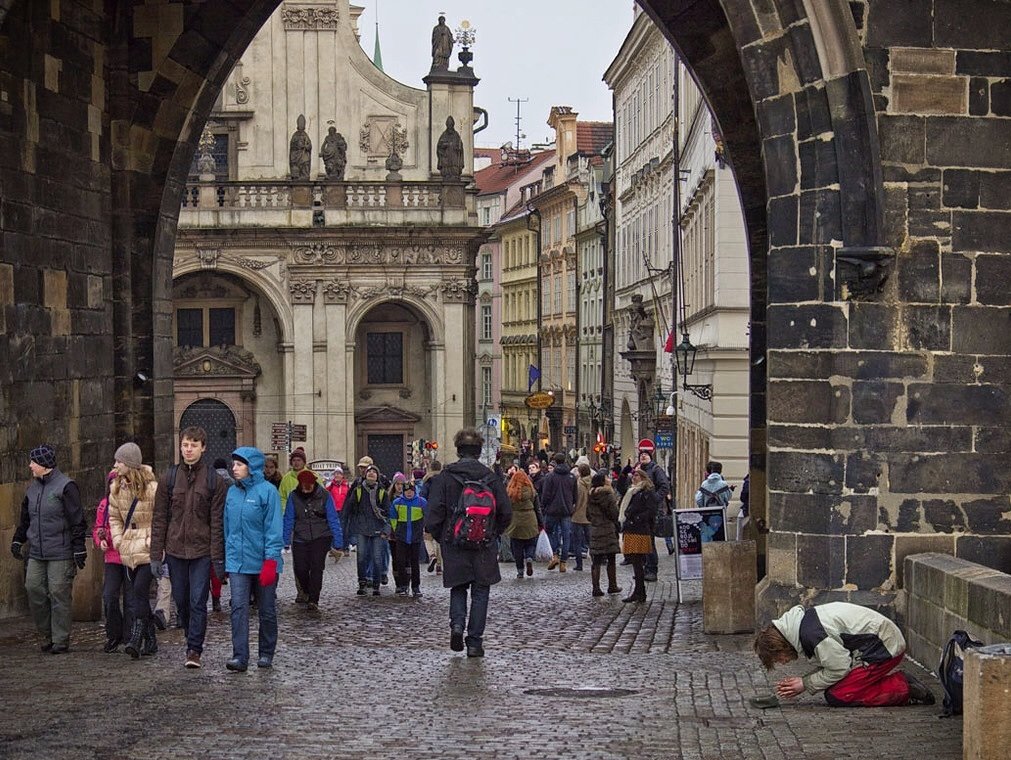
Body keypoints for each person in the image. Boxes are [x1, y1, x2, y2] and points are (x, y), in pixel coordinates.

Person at [425, 427, 512, 658]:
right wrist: (493, 532)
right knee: (481, 592)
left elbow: (433, 512)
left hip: (453, 542)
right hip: (484, 543)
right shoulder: (491, 477)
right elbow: (505, 512)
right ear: (479, 450)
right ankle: (474, 642)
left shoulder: (445, 477)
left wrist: (441, 536)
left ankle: (456, 625)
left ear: (458, 450)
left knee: (459, 586)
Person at [754, 602, 935, 707]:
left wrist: (805, 683)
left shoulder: (812, 635)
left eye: (778, 659)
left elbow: (839, 667)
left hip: (884, 648)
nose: (783, 663)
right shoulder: (805, 625)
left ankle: (903, 686)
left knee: (839, 694)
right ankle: (895, 683)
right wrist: (806, 680)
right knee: (838, 688)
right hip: (879, 644)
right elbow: (834, 662)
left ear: (781, 647)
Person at [150, 426, 227, 669]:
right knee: (181, 600)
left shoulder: (215, 481)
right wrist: (155, 553)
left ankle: (194, 649)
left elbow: (217, 523)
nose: (188, 449)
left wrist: (218, 558)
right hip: (174, 550)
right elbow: (159, 518)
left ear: (203, 448)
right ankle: (190, 633)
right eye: (185, 444)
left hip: (202, 551)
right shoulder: (169, 478)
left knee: (197, 601)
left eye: (194, 444)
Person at [11, 444, 88, 654]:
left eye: (33, 462)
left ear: (44, 465)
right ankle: (46, 635)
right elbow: (25, 519)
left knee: (58, 593)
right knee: (33, 588)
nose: (30, 465)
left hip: (60, 552)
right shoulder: (32, 489)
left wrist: (79, 547)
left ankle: (60, 639)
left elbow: (77, 519)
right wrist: (18, 540)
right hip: (36, 551)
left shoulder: (66, 486)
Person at [224, 447, 283, 672]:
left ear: (252, 466)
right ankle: (240, 656)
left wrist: (271, 560)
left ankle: (266, 652)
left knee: (266, 609)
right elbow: (227, 528)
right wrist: (226, 559)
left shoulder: (268, 492)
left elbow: (273, 528)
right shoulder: (232, 493)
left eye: (239, 464)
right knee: (238, 608)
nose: (234, 468)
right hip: (238, 562)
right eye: (234, 464)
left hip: (263, 562)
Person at [108, 442, 159, 659]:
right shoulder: (117, 488)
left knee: (139, 590)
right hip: (129, 546)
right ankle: (151, 637)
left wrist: (154, 541)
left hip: (148, 546)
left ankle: (136, 639)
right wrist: (118, 540)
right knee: (139, 596)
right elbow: (114, 517)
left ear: (129, 463)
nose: (115, 465)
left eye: (119, 461)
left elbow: (161, 517)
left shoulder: (152, 488)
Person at [283, 469, 343, 612]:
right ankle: (307, 590)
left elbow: (333, 518)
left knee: (317, 568)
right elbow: (289, 518)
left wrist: (338, 542)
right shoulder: (293, 496)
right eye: (304, 485)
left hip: (321, 536)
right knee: (300, 569)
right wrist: (285, 538)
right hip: (300, 537)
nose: (306, 488)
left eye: (308, 485)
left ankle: (314, 599)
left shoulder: (324, 495)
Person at [95, 468, 133, 652]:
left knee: (131, 598)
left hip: (130, 555)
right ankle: (114, 634)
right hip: (112, 556)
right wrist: (100, 540)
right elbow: (98, 528)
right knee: (109, 596)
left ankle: (129, 635)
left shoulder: (133, 502)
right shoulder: (104, 505)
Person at [342, 465, 391, 596]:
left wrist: (386, 530)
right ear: (365, 475)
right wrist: (347, 527)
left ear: (378, 476)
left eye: (374, 472)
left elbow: (389, 513)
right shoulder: (358, 491)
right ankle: (362, 582)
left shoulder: (382, 492)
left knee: (377, 558)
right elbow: (349, 509)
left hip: (377, 529)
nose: (371, 473)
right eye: (369, 471)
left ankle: (376, 584)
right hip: (361, 529)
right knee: (361, 557)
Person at [618, 467, 658, 603]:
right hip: (631, 529)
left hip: (640, 530)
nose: (634, 478)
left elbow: (651, 511)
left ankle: (640, 593)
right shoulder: (632, 491)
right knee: (635, 563)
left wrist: (637, 518)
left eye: (636, 476)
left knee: (638, 562)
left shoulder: (646, 492)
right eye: (633, 476)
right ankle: (639, 591)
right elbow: (620, 487)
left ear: (642, 477)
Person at [539, 452, 577, 572]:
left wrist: (543, 506)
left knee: (550, 532)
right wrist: (572, 506)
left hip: (552, 510)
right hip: (566, 510)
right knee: (566, 536)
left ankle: (554, 555)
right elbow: (575, 495)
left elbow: (545, 495)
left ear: (555, 462)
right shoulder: (571, 477)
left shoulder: (550, 477)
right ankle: (563, 562)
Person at [586, 469, 622, 597]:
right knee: (611, 558)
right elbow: (614, 513)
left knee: (596, 560)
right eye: (607, 477)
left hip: (596, 529)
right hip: (607, 529)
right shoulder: (608, 495)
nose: (609, 479)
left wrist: (595, 520)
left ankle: (596, 588)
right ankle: (612, 585)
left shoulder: (590, 495)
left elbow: (587, 514)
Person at [502, 468, 542, 579]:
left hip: (515, 520)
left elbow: (506, 508)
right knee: (530, 542)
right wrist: (541, 523)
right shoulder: (531, 491)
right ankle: (529, 557)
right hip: (530, 518)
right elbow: (537, 508)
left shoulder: (510, 492)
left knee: (517, 546)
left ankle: (520, 571)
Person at [390, 480, 427, 597]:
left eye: (411, 491)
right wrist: (396, 531)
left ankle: (416, 587)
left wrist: (423, 529)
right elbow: (393, 518)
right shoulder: (397, 503)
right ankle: (403, 585)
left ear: (414, 491)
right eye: (407, 491)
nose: (409, 493)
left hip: (415, 537)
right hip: (401, 536)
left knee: (415, 563)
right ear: (403, 492)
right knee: (401, 561)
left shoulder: (421, 502)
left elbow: (427, 516)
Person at [637, 450, 670, 583]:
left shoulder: (656, 470)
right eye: (641, 455)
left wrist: (655, 499)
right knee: (643, 540)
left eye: (645, 455)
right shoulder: (639, 470)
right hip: (641, 510)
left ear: (650, 457)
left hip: (652, 510)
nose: (643, 456)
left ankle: (652, 569)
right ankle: (645, 568)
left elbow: (664, 486)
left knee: (649, 541)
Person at [571, 462, 593, 571]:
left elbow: (577, 500)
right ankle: (595, 560)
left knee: (577, 541)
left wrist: (573, 510)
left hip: (578, 515)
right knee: (590, 540)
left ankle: (579, 564)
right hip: (590, 515)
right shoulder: (593, 482)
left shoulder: (579, 483)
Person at [326, 466, 351, 551]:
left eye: (339, 474)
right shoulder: (331, 485)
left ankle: (345, 547)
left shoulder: (346, 485)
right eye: (335, 474)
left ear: (342, 475)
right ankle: (334, 547)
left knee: (344, 529)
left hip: (344, 509)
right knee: (334, 528)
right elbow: (326, 495)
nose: (337, 475)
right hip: (333, 510)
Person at [737, 473, 750, 541]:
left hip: (746, 509)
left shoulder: (747, 482)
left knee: (741, 529)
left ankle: (739, 542)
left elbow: (742, 497)